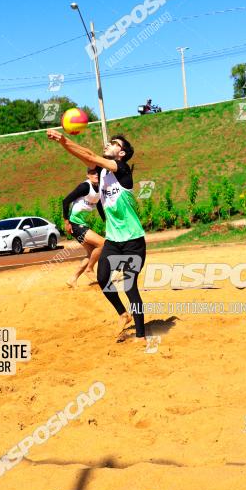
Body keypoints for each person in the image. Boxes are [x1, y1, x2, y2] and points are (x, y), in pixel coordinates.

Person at [47, 129, 146, 342]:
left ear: (122, 153)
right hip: (113, 240)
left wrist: (65, 140)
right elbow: (86, 153)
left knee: (130, 286)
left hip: (133, 240)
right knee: (102, 279)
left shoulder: (122, 169)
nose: (108, 144)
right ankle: (123, 314)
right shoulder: (101, 172)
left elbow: (91, 156)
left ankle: (141, 335)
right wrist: (64, 142)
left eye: (114, 143)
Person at [62, 167, 105, 287]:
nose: (96, 175)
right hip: (74, 224)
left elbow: (100, 205)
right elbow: (65, 201)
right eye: (92, 173)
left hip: (81, 225)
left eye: (97, 173)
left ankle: (73, 279)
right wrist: (66, 222)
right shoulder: (85, 187)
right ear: (87, 175)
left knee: (91, 253)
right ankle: (89, 269)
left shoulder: (99, 188)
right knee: (102, 243)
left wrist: (106, 221)